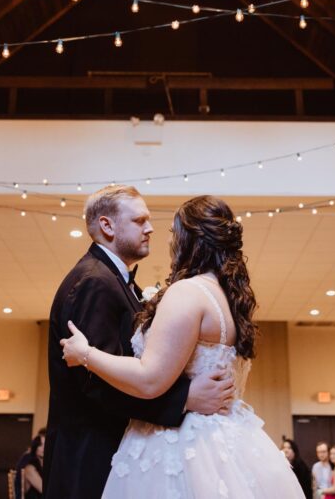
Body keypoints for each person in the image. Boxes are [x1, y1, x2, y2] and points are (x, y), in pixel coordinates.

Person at [60, 194, 305, 498]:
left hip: (179, 445)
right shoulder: (227, 299)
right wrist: (187, 396)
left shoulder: (187, 293)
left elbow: (150, 377)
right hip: (226, 441)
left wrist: (85, 354)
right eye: (140, 221)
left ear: (189, 240)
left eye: (174, 234)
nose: (155, 232)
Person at [44, 187, 235, 498]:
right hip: (90, 460)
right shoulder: (95, 282)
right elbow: (96, 384)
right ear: (107, 226)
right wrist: (185, 399)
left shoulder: (114, 280)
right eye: (139, 220)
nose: (150, 228)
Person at [21, 435, 45, 499]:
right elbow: (45, 491)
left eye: (46, 444)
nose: (44, 447)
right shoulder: (30, 468)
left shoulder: (46, 468)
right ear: (35, 447)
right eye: (40, 445)